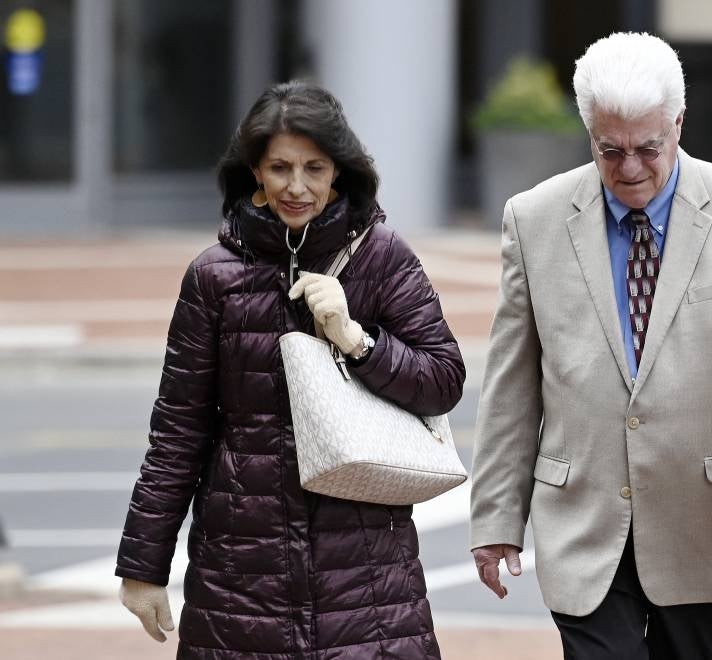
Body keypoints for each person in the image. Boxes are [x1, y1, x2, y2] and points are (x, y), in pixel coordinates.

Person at [469, 32, 712, 659]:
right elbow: (512, 382)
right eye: (610, 150)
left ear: (678, 123)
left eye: (648, 148)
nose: (630, 167)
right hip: (583, 526)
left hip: (705, 524)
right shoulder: (533, 220)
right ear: (589, 133)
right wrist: (497, 516)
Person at [115, 81, 465, 659]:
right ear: (255, 170)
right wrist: (143, 566)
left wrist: (356, 339)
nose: (296, 187)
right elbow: (178, 431)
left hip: (368, 578)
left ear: (339, 171)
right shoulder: (214, 277)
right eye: (280, 168)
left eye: (314, 168)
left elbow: (443, 381)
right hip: (240, 576)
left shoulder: (382, 257)